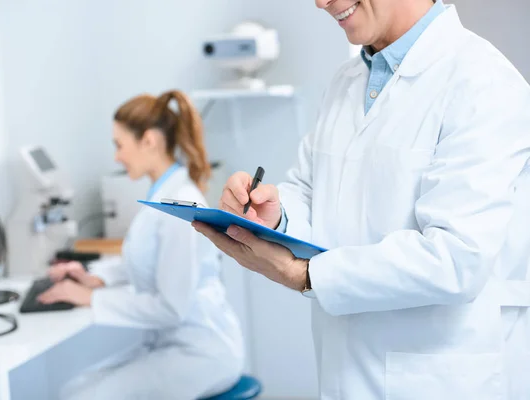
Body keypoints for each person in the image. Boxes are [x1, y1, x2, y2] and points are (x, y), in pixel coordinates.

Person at [193, 0, 530, 399]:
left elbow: (456, 258)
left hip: (440, 380)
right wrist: (276, 215)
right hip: (344, 371)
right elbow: (311, 192)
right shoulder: (346, 81)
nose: (321, 2)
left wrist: (307, 275)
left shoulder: (483, 82)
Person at [38, 90, 244, 399]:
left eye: (119, 145)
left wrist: (90, 299)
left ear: (149, 141)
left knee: (79, 397)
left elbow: (170, 308)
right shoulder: (163, 195)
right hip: (173, 344)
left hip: (202, 352)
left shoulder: (180, 205)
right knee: (73, 389)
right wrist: (95, 277)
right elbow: (149, 260)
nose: (116, 157)